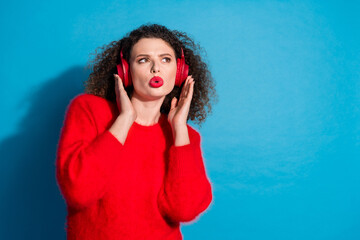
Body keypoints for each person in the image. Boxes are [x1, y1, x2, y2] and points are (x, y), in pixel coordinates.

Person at [56, 23, 217, 240]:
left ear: (179, 72)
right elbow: (79, 192)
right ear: (125, 70)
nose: (155, 68)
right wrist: (124, 120)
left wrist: (179, 129)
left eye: (165, 59)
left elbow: (184, 210)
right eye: (143, 60)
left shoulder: (186, 137)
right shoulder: (89, 110)